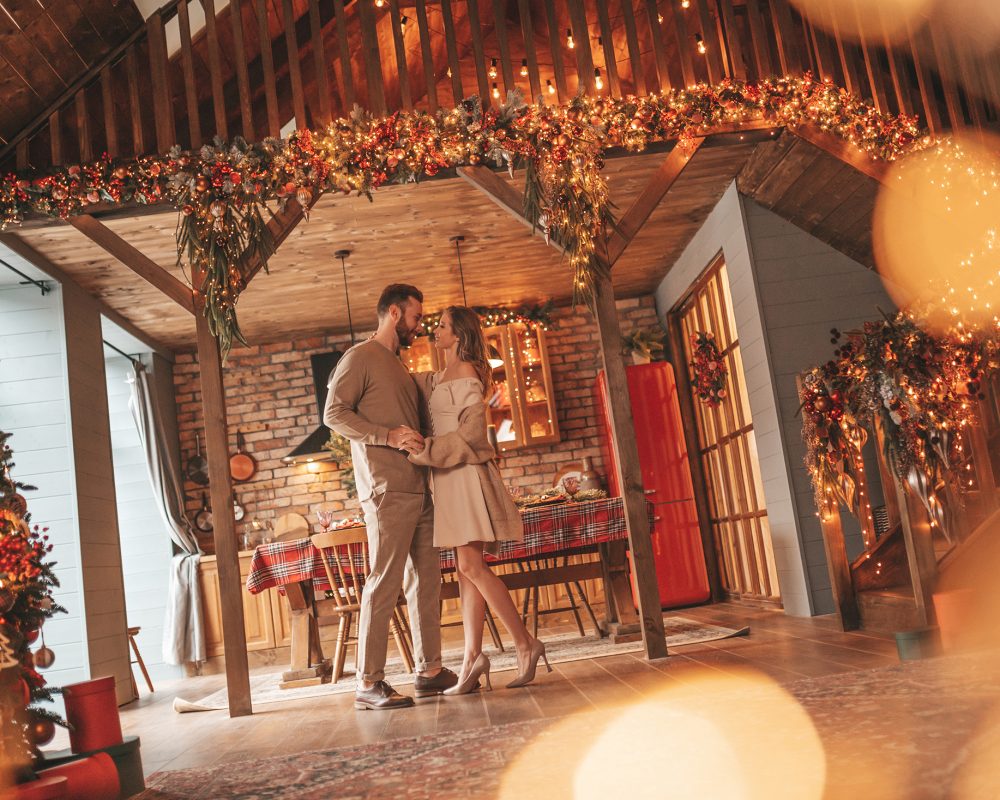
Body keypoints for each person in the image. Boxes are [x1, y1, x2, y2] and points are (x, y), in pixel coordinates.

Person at [324, 284, 458, 710]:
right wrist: (386, 435)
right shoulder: (360, 357)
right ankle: (368, 682)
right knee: (383, 582)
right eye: (417, 318)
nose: (420, 327)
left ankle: (429, 671)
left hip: (418, 487)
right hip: (385, 489)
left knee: (426, 581)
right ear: (396, 313)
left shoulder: (397, 366)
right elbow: (333, 413)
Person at [405, 306, 550, 693]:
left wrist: (425, 452)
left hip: (463, 476)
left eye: (443, 326)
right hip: (446, 479)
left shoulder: (467, 372)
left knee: (470, 565)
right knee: (466, 569)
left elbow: (472, 436)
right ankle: (473, 657)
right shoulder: (437, 377)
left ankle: (525, 643)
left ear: (460, 334)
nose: (436, 331)